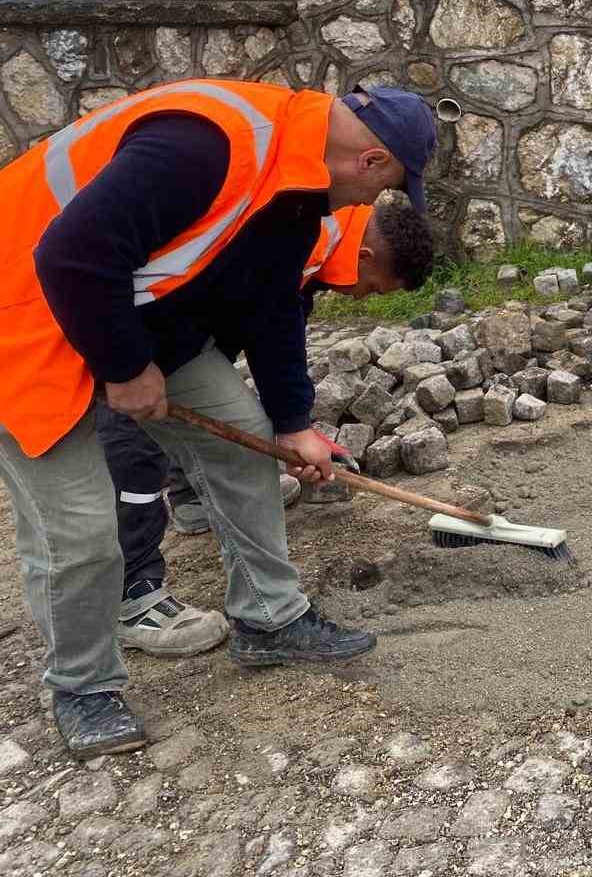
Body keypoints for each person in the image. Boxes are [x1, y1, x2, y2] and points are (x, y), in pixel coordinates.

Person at [0, 79, 437, 757]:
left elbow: (273, 310)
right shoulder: (207, 144)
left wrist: (293, 425)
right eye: (380, 188)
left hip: (123, 311)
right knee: (80, 532)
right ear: (371, 160)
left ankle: (269, 618)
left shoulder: (298, 189)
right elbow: (70, 254)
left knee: (244, 446)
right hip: (23, 317)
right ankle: (83, 688)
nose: (364, 206)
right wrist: (124, 366)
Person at [109, 200, 437, 660]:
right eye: (373, 288)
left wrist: (294, 428)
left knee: (221, 429)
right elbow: (270, 324)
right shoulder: (298, 230)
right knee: (131, 453)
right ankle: (133, 593)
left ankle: (193, 501)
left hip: (171, 330)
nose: (363, 299)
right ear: (364, 257)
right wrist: (292, 428)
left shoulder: (317, 242)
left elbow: (276, 335)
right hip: (109, 325)